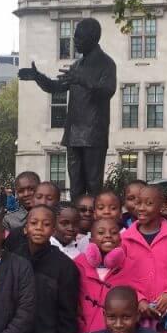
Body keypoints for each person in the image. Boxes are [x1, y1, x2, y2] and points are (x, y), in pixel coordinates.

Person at [19, 18, 117, 199]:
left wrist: (83, 80)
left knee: (94, 184)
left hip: (94, 134)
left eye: (79, 38)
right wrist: (38, 77)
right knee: (75, 186)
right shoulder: (77, 65)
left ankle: (94, 223)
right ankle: (77, 221)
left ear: (92, 39)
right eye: (74, 37)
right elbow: (56, 87)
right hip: (73, 134)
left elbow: (107, 91)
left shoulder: (106, 64)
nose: (75, 41)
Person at [120, 185, 167, 333]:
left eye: (149, 203)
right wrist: (138, 299)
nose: (141, 208)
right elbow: (122, 278)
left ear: (163, 207)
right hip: (136, 318)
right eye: (138, 203)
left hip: (166, 318)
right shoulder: (124, 240)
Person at [18, 204, 80, 333]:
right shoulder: (14, 258)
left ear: (53, 230)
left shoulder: (66, 266)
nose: (39, 228)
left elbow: (68, 316)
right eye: (34, 223)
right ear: (25, 228)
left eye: (46, 224)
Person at [75, 217, 128, 333]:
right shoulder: (78, 264)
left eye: (114, 232)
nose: (108, 235)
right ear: (91, 240)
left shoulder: (128, 265)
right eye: (101, 232)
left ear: (120, 239)